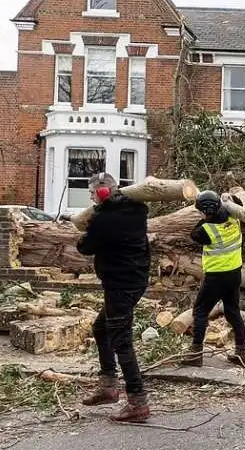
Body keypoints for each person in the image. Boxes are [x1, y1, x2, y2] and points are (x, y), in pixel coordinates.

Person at [76, 172, 151, 423]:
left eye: (92, 194)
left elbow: (85, 247)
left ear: (102, 193)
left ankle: (137, 402)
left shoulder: (103, 219)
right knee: (101, 328)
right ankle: (108, 386)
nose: (91, 199)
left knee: (122, 341)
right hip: (136, 281)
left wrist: (84, 231)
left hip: (119, 285)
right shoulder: (138, 210)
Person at [182, 190, 245, 367]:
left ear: (207, 212)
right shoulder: (235, 218)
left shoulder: (206, 230)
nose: (200, 215)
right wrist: (230, 200)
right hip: (235, 274)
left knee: (200, 311)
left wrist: (206, 218)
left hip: (216, 277)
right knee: (233, 311)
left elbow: (194, 234)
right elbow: (239, 206)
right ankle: (242, 352)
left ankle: (195, 354)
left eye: (201, 212)